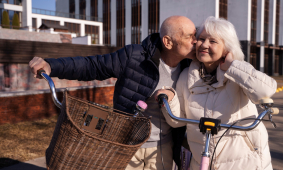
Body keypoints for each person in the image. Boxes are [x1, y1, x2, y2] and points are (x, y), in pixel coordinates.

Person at [29, 16, 197, 170]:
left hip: (163, 148)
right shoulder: (135, 56)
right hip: (127, 145)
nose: (196, 42)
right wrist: (52, 66)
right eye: (190, 37)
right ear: (168, 42)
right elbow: (93, 66)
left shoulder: (191, 68)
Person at [156, 16, 277, 170]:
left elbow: (266, 91)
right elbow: (177, 120)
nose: (204, 45)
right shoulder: (186, 75)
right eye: (201, 39)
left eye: (212, 41)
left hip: (245, 161)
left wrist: (232, 67)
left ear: (226, 48)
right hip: (203, 162)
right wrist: (171, 99)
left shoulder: (238, 73)